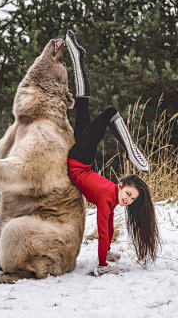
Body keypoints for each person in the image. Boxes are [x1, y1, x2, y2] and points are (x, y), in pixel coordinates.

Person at [65, 30, 161, 276]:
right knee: (109, 112)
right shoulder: (109, 195)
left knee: (82, 101)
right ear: (120, 185)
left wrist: (106, 252)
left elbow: (106, 225)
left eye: (131, 199)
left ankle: (76, 56)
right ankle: (130, 150)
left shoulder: (110, 196)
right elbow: (103, 229)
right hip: (80, 161)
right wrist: (102, 266)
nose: (128, 200)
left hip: (82, 163)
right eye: (128, 193)